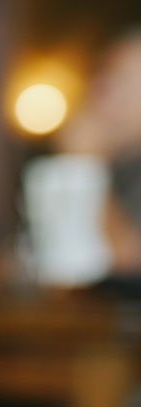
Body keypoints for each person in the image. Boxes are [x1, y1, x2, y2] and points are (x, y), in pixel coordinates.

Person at [58, 29, 141, 278]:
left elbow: (128, 264)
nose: (100, 91)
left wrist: (84, 168)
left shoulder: (93, 160)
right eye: (103, 75)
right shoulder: (116, 160)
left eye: (122, 81)